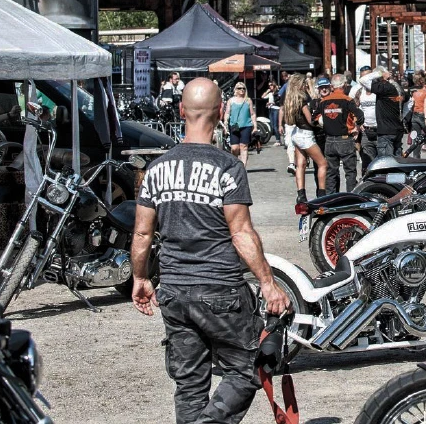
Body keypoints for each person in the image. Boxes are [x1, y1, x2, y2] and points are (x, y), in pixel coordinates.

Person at [130, 78, 291, 424]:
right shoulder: (227, 167)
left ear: (180, 110)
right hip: (219, 288)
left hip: (173, 289)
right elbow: (241, 232)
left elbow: (143, 233)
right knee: (246, 370)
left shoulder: (156, 170)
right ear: (221, 113)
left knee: (189, 384)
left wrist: (140, 278)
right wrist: (267, 282)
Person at [313, 74, 364, 193]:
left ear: (332, 86)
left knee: (331, 173)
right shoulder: (347, 100)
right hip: (345, 139)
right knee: (350, 172)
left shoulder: (323, 101)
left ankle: (331, 200)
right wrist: (356, 126)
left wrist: (324, 124)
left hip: (329, 140)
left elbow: (313, 119)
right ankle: (351, 199)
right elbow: (360, 115)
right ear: (345, 85)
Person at [282, 74, 328, 203]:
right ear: (299, 85)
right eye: (304, 84)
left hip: (296, 133)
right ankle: (322, 195)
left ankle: (301, 195)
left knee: (300, 165)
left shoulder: (290, 99)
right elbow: (310, 120)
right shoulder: (302, 101)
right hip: (306, 135)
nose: (305, 86)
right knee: (323, 164)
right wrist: (320, 121)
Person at [359, 66, 406, 158]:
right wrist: (403, 116)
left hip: (386, 132)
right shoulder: (394, 87)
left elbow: (363, 80)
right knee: (397, 162)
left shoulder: (384, 88)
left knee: (386, 163)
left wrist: (380, 73)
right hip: (396, 129)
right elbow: (408, 100)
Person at [223, 82, 256, 168]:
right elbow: (227, 113)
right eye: (239, 88)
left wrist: (255, 126)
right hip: (234, 126)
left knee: (244, 146)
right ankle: (235, 164)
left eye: (243, 88)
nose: (241, 90)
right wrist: (225, 122)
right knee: (234, 148)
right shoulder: (231, 101)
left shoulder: (248, 100)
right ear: (235, 90)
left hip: (246, 125)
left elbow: (252, 114)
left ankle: (242, 167)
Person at [409, 74, 426, 158]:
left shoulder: (413, 92)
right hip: (422, 115)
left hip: (414, 115)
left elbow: (411, 104)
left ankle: (416, 156)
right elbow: (425, 106)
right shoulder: (425, 93)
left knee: (416, 137)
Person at [262, 79, 281, 146]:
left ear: (274, 85)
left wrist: (270, 102)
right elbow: (263, 97)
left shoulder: (278, 92)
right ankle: (278, 139)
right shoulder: (270, 93)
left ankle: (278, 140)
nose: (270, 86)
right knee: (272, 125)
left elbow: (279, 101)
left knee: (275, 125)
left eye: (271, 85)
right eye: (269, 85)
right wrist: (267, 91)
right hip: (271, 109)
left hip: (276, 109)